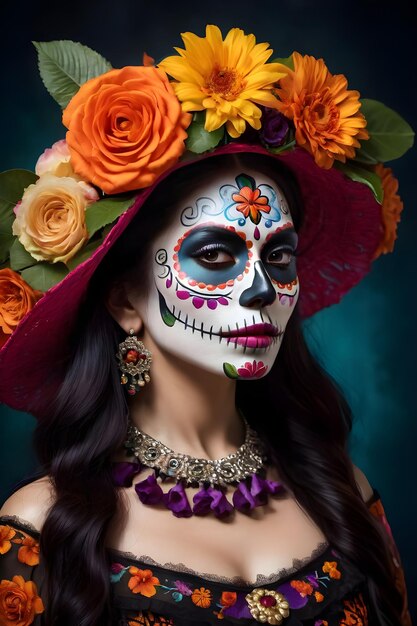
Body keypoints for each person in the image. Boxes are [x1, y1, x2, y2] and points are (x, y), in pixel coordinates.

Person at [0, 25, 413, 626]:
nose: (261, 289)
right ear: (124, 300)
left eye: (278, 256)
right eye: (215, 256)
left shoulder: (343, 490)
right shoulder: (41, 531)